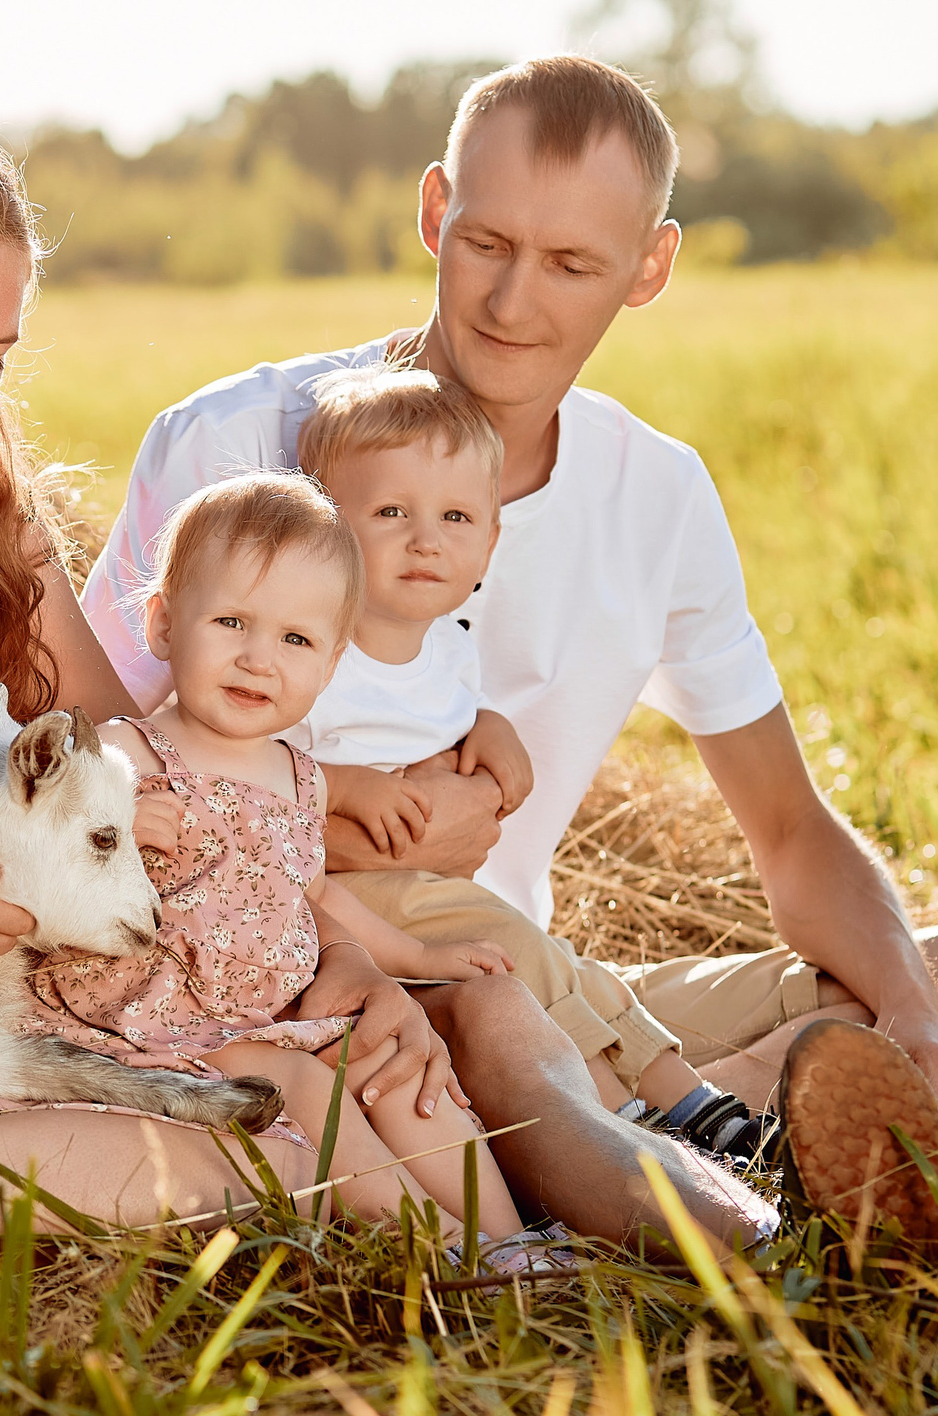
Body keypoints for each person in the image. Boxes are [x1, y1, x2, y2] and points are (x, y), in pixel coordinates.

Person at [0, 117, 776, 1260]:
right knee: (300, 1154)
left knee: (341, 1097)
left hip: (31, 988)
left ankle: (610, 1188)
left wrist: (329, 958)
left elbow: (150, 788)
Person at [77, 56, 938, 1166]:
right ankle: (702, 1133)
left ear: (649, 266)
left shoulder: (656, 494)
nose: (512, 302)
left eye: (569, 263)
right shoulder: (233, 443)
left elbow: (789, 833)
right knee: (497, 1035)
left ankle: (702, 1116)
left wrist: (919, 1018)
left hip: (514, 969)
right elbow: (74, 763)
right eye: (488, 244)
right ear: (433, 210)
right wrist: (332, 826)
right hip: (293, 982)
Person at [26, 472, 527, 1248]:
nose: (260, 660)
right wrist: (109, 821)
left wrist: (420, 955)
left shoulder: (299, 778)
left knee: (397, 1076)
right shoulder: (125, 752)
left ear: (329, 665)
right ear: (163, 626)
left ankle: (516, 1241)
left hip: (271, 1014)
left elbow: (317, 899)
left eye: (295, 640)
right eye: (232, 622)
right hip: (154, 1030)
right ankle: (447, 1244)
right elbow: (34, 843)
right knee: (308, 1085)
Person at [289, 364, 774, 1157]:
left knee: (560, 964)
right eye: (389, 512)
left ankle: (686, 1103)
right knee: (519, 951)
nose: (426, 539)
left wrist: (485, 721)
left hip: (428, 890)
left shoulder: (446, 646)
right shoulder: (311, 647)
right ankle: (645, 1120)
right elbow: (241, 771)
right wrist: (341, 785)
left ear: (489, 539)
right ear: (323, 525)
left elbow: (428, 711)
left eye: (454, 516)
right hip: (345, 899)